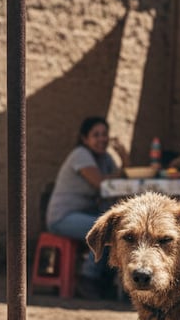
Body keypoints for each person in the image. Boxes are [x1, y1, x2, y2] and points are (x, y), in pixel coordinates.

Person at [46, 116, 129, 298]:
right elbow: (100, 183)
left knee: (118, 227)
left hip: (85, 214)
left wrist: (123, 163)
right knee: (104, 231)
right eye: (96, 135)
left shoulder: (105, 158)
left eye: (104, 134)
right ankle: (87, 278)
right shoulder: (80, 155)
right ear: (85, 139)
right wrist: (124, 163)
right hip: (63, 217)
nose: (102, 139)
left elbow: (119, 181)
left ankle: (107, 279)